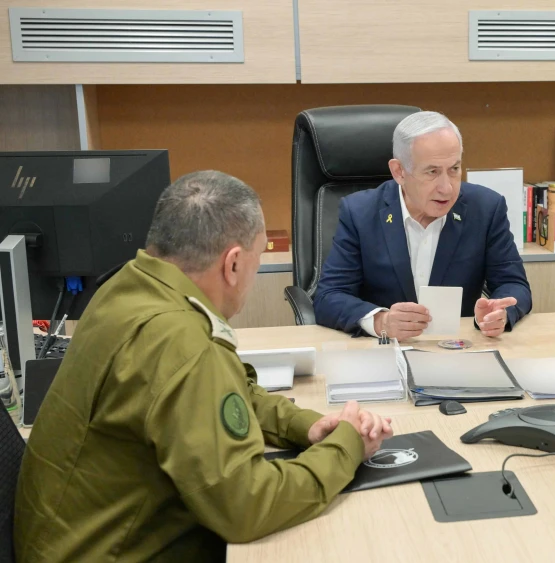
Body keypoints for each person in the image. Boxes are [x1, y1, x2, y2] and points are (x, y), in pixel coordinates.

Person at [15, 171, 394, 562]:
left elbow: (230, 390)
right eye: (259, 255)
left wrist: (304, 426)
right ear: (232, 264)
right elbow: (247, 507)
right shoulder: (184, 345)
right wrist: (345, 447)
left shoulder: (131, 287)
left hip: (73, 540)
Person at [313, 111, 531, 340]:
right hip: (381, 354)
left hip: (457, 351)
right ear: (399, 172)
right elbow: (329, 296)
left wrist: (499, 313)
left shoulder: (485, 209)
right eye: (432, 172)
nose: (446, 188)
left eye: (454, 169)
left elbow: (513, 284)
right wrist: (381, 321)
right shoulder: (360, 213)